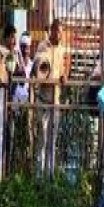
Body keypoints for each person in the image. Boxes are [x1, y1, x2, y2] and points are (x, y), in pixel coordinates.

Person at [33, 20, 69, 176]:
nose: (59, 34)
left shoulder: (62, 49)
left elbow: (66, 64)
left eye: (61, 31)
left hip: (56, 100)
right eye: (57, 31)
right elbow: (37, 66)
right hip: (43, 98)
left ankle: (50, 175)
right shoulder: (42, 46)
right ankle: (39, 177)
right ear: (52, 31)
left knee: (52, 141)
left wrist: (64, 75)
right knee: (42, 139)